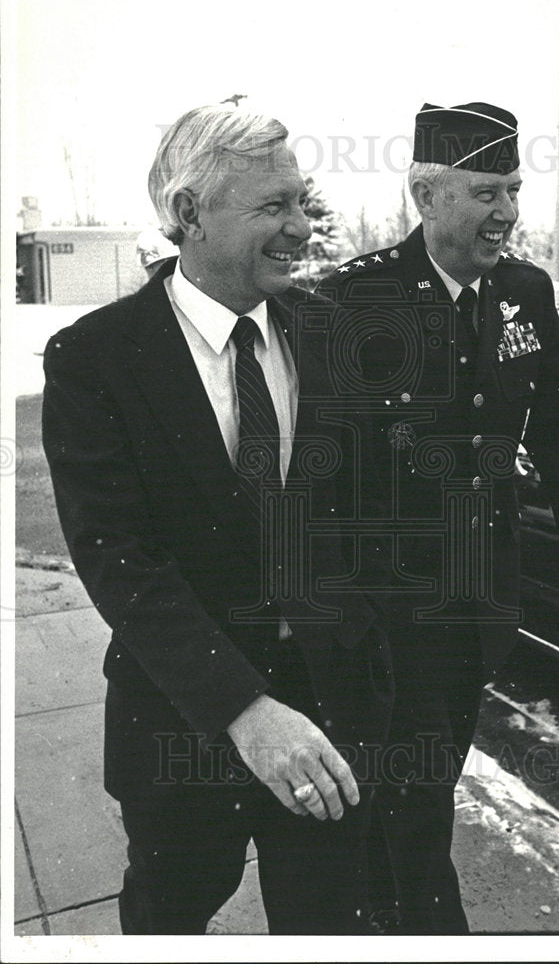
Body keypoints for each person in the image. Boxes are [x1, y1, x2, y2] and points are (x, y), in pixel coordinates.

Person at [42, 103, 394, 935]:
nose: (301, 228)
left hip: (334, 721)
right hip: (181, 726)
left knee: (326, 927)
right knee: (168, 921)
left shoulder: (334, 335)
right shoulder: (95, 359)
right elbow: (117, 559)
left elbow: (371, 520)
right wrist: (243, 709)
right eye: (274, 207)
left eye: (302, 204)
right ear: (189, 213)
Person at [317, 100, 559, 934]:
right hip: (385, 616)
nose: (507, 213)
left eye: (514, 191)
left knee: (421, 790)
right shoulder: (355, 299)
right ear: (426, 195)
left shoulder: (525, 291)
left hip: (478, 607)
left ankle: (386, 915)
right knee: (410, 810)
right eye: (487, 191)